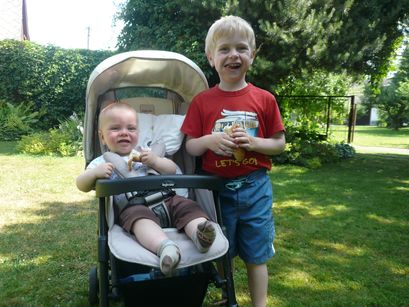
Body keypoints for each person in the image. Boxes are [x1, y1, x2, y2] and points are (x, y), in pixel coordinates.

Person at [181, 16, 286, 306]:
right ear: (211, 58)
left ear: (252, 54)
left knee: (257, 253)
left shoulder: (264, 99)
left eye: (241, 48)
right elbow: (191, 146)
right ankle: (229, 298)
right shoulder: (202, 102)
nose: (233, 55)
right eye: (224, 49)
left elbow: (278, 143)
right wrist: (210, 141)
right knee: (219, 249)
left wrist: (253, 142)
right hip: (216, 192)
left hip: (255, 188)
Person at [76, 102, 216, 276]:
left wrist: (155, 161)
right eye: (115, 128)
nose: (124, 133)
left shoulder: (146, 153)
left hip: (168, 199)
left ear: (138, 133)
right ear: (102, 137)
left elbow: (172, 170)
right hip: (134, 207)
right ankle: (165, 248)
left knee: (189, 207)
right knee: (139, 220)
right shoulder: (102, 162)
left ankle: (200, 234)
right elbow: (81, 184)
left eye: (131, 128)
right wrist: (94, 174)